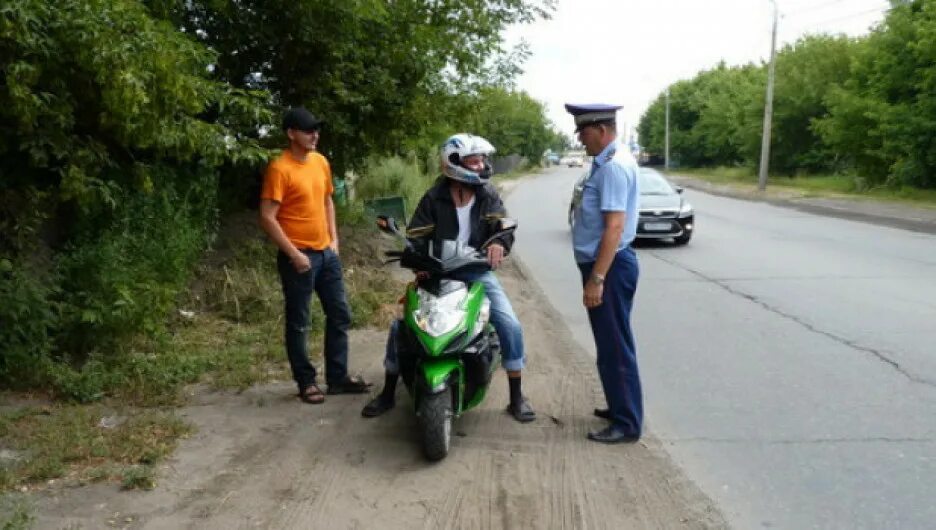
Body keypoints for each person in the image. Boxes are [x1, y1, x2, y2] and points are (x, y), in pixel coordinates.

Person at [361, 133, 535, 423]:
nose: (481, 165)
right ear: (454, 163)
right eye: (474, 160)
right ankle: (388, 392)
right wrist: (417, 260)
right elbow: (416, 235)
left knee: (510, 324)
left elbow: (502, 226)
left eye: (482, 160)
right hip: (438, 270)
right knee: (401, 327)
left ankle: (517, 395)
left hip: (476, 270)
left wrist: (498, 244)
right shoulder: (434, 197)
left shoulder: (487, 194)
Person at [259, 107, 370, 404]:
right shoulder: (279, 169)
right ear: (291, 133)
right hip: (299, 259)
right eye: (308, 130)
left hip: (326, 254)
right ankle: (306, 382)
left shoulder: (320, 162)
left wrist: (334, 239)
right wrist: (294, 254)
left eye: (316, 129)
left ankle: (337, 378)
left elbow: (327, 201)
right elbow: (268, 217)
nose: (315, 135)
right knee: (299, 322)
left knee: (340, 314)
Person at [565, 103, 642, 443]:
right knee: (610, 342)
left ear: (601, 129)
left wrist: (597, 278)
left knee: (614, 345)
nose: (581, 139)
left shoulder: (612, 167)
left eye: (583, 132)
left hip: (608, 268)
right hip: (607, 265)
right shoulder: (607, 162)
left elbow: (614, 228)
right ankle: (619, 406)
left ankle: (626, 423)